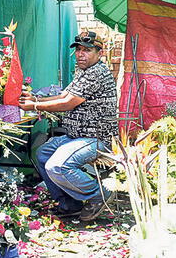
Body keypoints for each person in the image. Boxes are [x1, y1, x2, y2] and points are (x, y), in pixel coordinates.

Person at [18, 31, 117, 221]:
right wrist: (36, 98)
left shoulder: (96, 72)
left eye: (87, 50)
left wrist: (34, 105)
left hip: (95, 139)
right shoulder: (83, 71)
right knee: (43, 154)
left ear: (100, 53)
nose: (81, 54)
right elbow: (64, 95)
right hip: (76, 136)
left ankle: (99, 194)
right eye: (79, 49)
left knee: (58, 165)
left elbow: (68, 103)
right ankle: (70, 204)